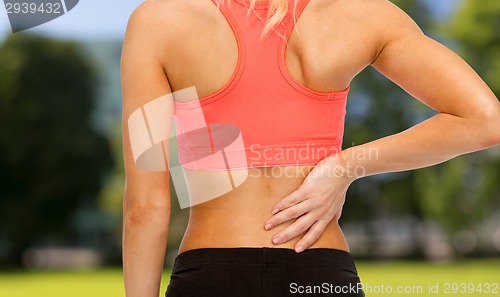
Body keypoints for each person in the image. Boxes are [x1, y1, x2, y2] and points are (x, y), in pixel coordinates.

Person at [120, 0, 500, 296]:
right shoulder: (359, 13)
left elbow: (145, 207)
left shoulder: (159, 20)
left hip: (211, 274)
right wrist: (346, 166)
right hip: (319, 272)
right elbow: (485, 120)